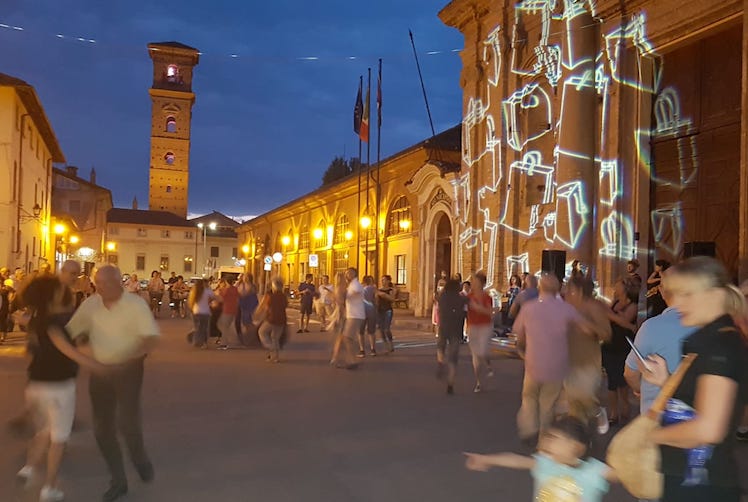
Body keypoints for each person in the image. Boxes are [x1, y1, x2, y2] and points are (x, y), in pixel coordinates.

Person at [640, 257, 747, 501]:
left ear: (716, 295)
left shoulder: (720, 345)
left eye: (687, 294)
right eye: (676, 293)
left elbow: (708, 429)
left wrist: (649, 437)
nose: (677, 303)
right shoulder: (708, 341)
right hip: (692, 478)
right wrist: (666, 381)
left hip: (702, 485)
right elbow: (702, 404)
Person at [65, 265, 160, 502]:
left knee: (127, 424)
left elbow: (150, 338)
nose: (101, 287)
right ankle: (118, 480)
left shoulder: (135, 305)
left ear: (119, 282)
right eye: (98, 283)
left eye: (106, 283)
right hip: (101, 370)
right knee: (102, 428)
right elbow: (71, 331)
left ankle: (139, 458)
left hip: (129, 369)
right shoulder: (91, 304)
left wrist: (132, 356)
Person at [15, 275, 108, 502]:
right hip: (58, 388)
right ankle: (49, 488)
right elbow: (68, 350)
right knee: (59, 438)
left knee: (45, 431)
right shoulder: (54, 324)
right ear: (50, 297)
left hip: (36, 385)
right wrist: (99, 367)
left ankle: (27, 469)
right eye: (58, 290)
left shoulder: (38, 320)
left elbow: (27, 325)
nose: (63, 292)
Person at [464, 416, 616, 501]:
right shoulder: (546, 462)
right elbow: (516, 460)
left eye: (555, 438)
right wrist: (488, 460)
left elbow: (626, 475)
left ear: (576, 447)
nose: (547, 442)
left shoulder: (594, 470)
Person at [514, 274, 581, 442]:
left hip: (533, 362)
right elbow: (578, 332)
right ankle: (544, 436)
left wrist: (522, 349)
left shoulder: (529, 308)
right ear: (559, 289)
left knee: (529, 397)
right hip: (557, 363)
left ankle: (529, 428)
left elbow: (519, 333)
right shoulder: (566, 309)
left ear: (539, 288)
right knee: (548, 403)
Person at [624, 272, 693, 414]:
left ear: (662, 291)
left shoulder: (652, 327)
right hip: (698, 419)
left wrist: (639, 389)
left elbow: (630, 372)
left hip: (658, 417)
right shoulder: (709, 325)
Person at [563, 276, 612, 430]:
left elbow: (606, 334)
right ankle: (580, 441)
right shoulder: (566, 308)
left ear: (579, 291)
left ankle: (597, 411)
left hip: (588, 364)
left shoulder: (593, 307)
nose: (565, 293)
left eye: (569, 290)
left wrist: (587, 326)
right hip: (569, 363)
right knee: (574, 407)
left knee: (584, 398)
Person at [604, 278, 638, 425]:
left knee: (622, 380)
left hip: (623, 346)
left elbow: (623, 320)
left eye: (617, 286)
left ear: (625, 289)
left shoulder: (633, 305)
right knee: (612, 381)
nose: (615, 289)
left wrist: (609, 314)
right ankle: (613, 412)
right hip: (610, 345)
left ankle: (625, 406)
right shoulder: (614, 303)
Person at [436, 279, 467, 394]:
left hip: (444, 326)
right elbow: (470, 304)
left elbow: (436, 303)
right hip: (456, 328)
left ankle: (440, 362)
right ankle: (451, 382)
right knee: (453, 357)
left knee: (440, 347)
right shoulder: (461, 298)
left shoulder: (442, 297)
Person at [467, 271, 494, 393]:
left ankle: (488, 364)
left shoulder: (487, 297)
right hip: (472, 327)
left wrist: (477, 308)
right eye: (473, 282)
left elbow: (489, 312)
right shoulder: (468, 297)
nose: (473, 284)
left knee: (482, 351)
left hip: (485, 326)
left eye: (476, 282)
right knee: (475, 357)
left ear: (481, 284)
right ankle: (478, 382)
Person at [257, 276, 288, 363]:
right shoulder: (283, 296)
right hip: (282, 319)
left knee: (262, 332)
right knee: (275, 338)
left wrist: (258, 315)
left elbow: (266, 307)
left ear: (274, 285)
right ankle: (275, 357)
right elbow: (285, 305)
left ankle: (271, 347)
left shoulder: (271, 296)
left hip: (272, 319)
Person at [189, 279, 217, 349]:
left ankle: (197, 341)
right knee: (204, 329)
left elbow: (191, 302)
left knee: (197, 328)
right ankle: (204, 343)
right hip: (205, 312)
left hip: (196, 311)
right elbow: (214, 297)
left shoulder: (194, 291)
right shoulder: (207, 291)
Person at [375, 275, 397, 353]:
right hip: (380, 311)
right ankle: (386, 346)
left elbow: (392, 299)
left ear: (388, 281)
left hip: (388, 310)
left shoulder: (391, 290)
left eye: (384, 280)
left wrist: (382, 294)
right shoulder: (378, 290)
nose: (382, 281)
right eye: (382, 280)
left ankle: (391, 343)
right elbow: (376, 301)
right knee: (381, 330)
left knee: (386, 329)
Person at [236, 274, 259, 345]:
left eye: (247, 277)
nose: (245, 279)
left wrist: (242, 294)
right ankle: (248, 337)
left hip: (249, 304)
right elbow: (237, 290)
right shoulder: (240, 284)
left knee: (247, 321)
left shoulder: (252, 286)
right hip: (241, 304)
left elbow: (248, 293)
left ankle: (251, 337)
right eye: (244, 277)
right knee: (244, 322)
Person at [357, 275, 377, 357]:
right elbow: (376, 299)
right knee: (371, 331)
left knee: (360, 331)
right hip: (371, 310)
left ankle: (362, 350)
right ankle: (373, 349)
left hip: (361, 311)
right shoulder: (373, 289)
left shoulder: (360, 288)